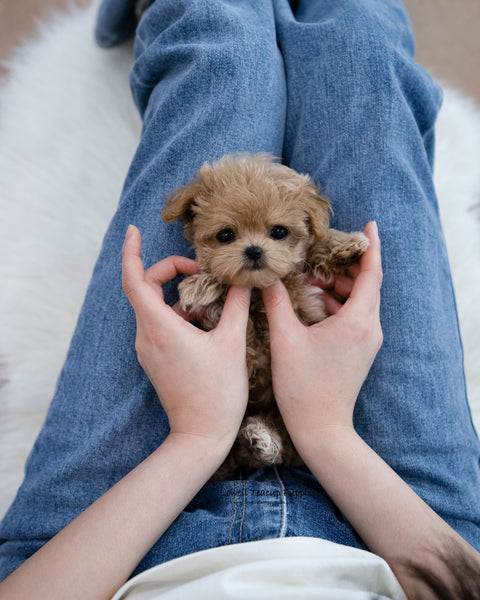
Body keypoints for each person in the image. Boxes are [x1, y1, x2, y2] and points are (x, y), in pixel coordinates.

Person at [0, 0, 480, 598]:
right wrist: (328, 431)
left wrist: (196, 436)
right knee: (364, 62)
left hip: (104, 540)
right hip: (416, 539)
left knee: (219, 56)